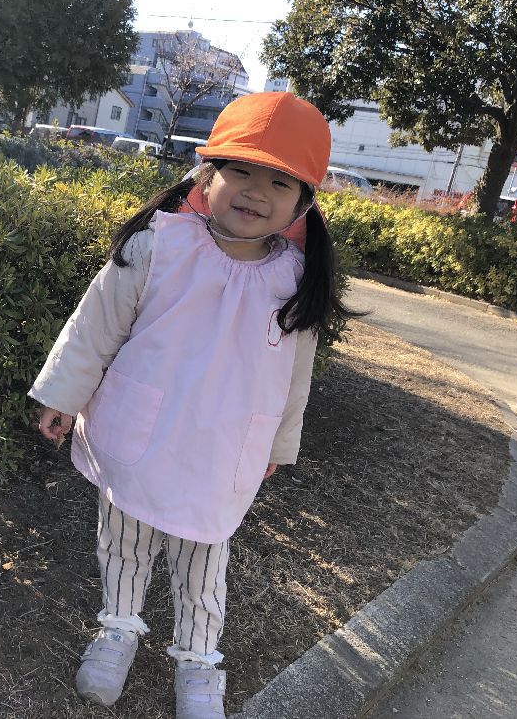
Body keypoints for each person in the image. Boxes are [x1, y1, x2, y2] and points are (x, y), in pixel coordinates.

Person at [29, 92, 360, 718]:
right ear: (206, 175)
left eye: (280, 182)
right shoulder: (158, 245)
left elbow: (295, 378)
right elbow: (97, 327)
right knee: (124, 540)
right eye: (240, 170)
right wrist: (63, 396)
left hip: (222, 449)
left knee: (203, 558)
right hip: (140, 433)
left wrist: (277, 444)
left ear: (303, 204)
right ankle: (119, 628)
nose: (256, 191)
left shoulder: (296, 281)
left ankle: (199, 659)